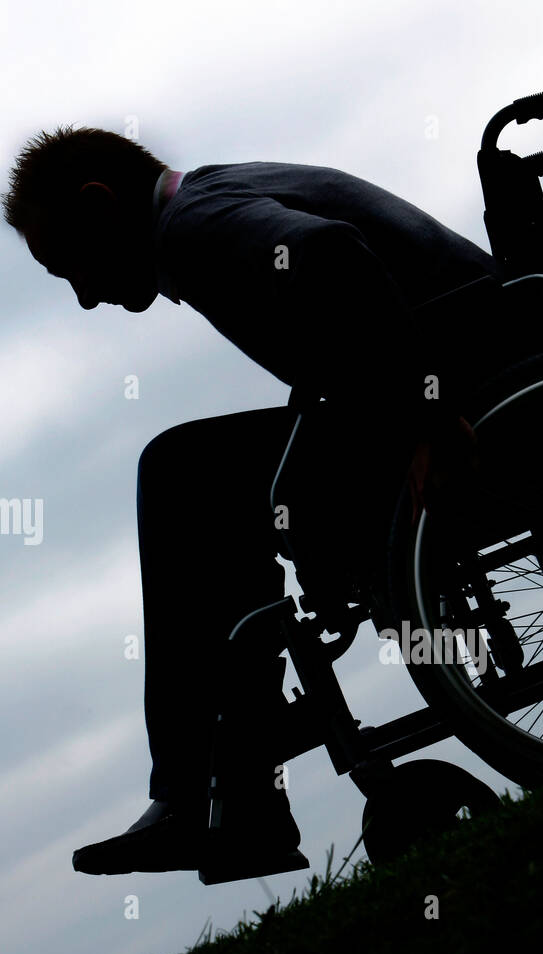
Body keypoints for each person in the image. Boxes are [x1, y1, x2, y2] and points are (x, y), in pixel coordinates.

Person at [3, 125, 504, 881]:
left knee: (180, 474)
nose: (80, 296)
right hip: (475, 365)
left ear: (100, 206)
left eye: (67, 264)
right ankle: (232, 792)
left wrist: (428, 417)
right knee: (201, 476)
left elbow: (332, 255)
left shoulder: (196, 224)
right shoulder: (215, 198)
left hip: (468, 400)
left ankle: (209, 794)